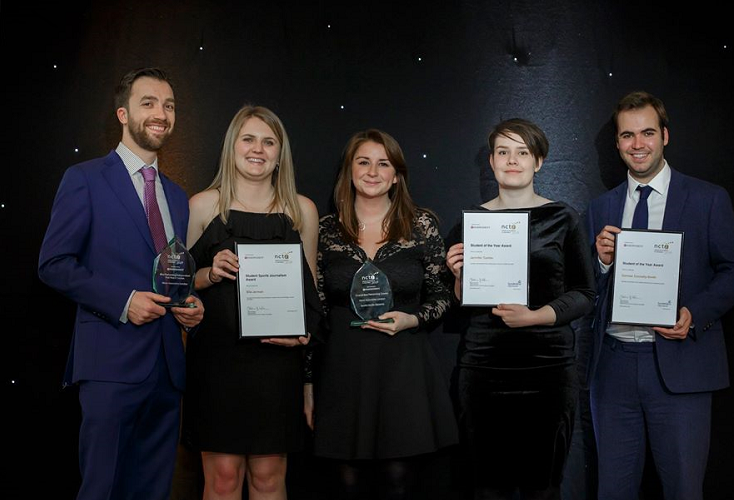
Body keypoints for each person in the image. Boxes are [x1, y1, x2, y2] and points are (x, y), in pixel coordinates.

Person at [38, 67, 204, 499]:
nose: (161, 114)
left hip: (167, 366)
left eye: (169, 105)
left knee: (152, 489)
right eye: (148, 103)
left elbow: (171, 273)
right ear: (122, 113)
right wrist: (123, 301)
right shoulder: (85, 179)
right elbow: (53, 263)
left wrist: (188, 305)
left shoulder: (177, 197)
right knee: (102, 488)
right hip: (110, 363)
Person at [586, 91, 734, 500]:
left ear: (665, 135)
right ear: (618, 143)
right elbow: (585, 290)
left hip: (680, 368)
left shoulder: (708, 199)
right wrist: (602, 263)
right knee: (613, 491)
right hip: (614, 370)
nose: (637, 144)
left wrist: (693, 314)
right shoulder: (600, 207)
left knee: (682, 490)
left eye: (646, 133)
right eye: (627, 136)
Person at [444, 119, 595, 499]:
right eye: (503, 152)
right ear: (492, 162)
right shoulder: (471, 222)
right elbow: (460, 303)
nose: (512, 160)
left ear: (538, 161)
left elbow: (584, 293)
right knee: (487, 486)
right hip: (483, 368)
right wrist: (458, 277)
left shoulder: (563, 218)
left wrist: (536, 315)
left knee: (541, 486)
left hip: (547, 368)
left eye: (522, 152)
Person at [183, 105, 322, 500]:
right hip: (217, 362)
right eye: (248, 138)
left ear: (280, 153)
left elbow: (310, 293)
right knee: (223, 478)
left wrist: (302, 336)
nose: (257, 149)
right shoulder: (202, 206)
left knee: (268, 477)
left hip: (277, 366)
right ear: (232, 146)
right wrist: (210, 272)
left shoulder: (301, 210)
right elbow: (177, 289)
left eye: (268, 141)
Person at [312, 129, 458, 498]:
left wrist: (413, 319)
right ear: (348, 170)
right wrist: (308, 381)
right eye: (363, 162)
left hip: (403, 367)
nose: (373, 171)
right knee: (346, 482)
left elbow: (442, 295)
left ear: (397, 175)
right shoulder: (325, 230)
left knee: (399, 480)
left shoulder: (421, 225)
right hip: (343, 370)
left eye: (383, 163)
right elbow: (316, 310)